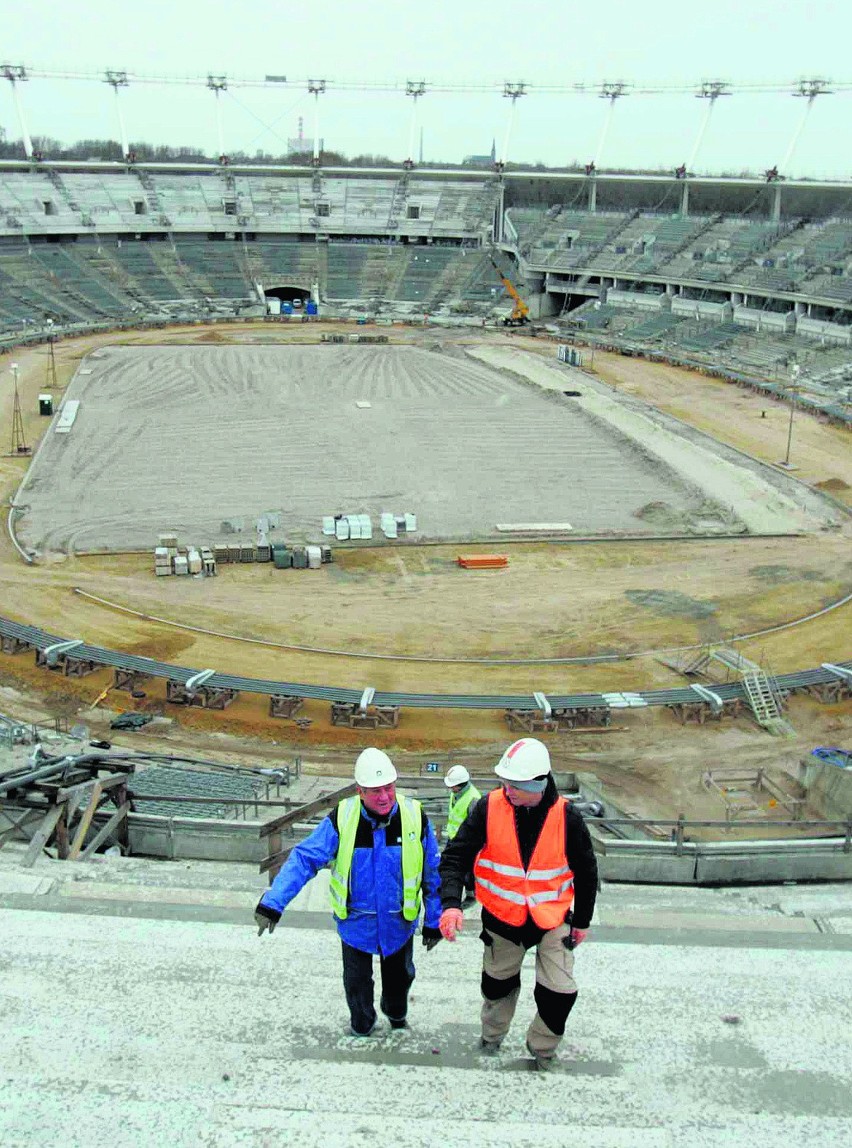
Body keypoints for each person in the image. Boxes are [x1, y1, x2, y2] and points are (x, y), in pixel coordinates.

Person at [254, 747, 442, 1037]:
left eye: (389, 788)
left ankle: (396, 1015)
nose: (384, 797)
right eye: (375, 790)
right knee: (356, 984)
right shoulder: (342, 817)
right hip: (356, 924)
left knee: (400, 981)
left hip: (398, 924)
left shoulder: (415, 816)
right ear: (360, 791)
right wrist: (273, 903)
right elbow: (306, 858)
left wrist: (433, 921)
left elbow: (432, 873)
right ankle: (362, 1025)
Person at [438, 737, 598, 1071]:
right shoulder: (488, 807)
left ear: (538, 784)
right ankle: (492, 1037)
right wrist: (451, 904)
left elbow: (586, 873)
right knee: (497, 988)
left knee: (560, 993)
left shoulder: (567, 818)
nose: (506, 790)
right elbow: (455, 857)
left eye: (514, 785)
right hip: (502, 921)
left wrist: (581, 922)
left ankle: (542, 1048)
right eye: (504, 783)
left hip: (552, 919)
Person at [443, 765, 481, 904]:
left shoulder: (473, 799)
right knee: (449, 867)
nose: (451, 789)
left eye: (453, 786)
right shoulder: (455, 794)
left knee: (466, 871)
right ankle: (451, 895)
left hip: (465, 842)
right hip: (452, 837)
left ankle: (471, 895)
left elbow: (475, 826)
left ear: (460, 785)